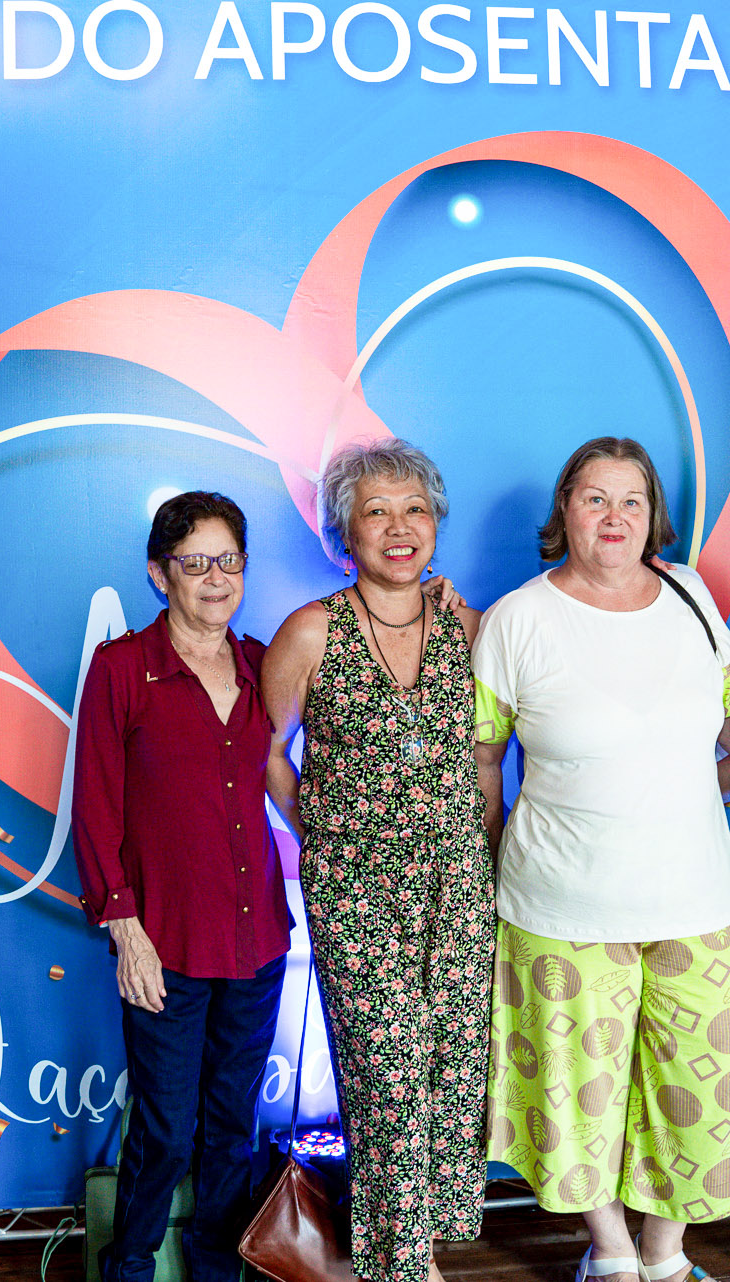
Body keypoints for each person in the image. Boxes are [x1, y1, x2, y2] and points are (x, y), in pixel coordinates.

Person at [473, 437, 730, 1282]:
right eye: (595, 498)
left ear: (652, 514)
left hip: (694, 899)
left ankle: (666, 1254)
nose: (614, 517)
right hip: (561, 905)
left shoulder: (694, 599)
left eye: (632, 500)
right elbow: (484, 760)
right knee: (575, 1099)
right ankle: (611, 1251)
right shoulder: (517, 619)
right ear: (565, 508)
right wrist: (496, 863)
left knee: (696, 1094)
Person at [261, 439, 497, 1282]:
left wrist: (487, 859)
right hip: (356, 888)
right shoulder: (311, 631)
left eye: (415, 510)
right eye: (376, 512)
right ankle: (404, 1267)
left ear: (435, 524)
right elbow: (267, 753)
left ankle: (420, 1249)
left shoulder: (471, 628)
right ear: (344, 533)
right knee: (387, 1073)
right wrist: (323, 833)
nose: (399, 528)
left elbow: (487, 760)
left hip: (459, 880)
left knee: (452, 1066)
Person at [71, 491, 292, 1282]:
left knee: (232, 1127)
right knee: (165, 1130)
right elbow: (95, 808)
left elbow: (358, 649)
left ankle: (215, 1267)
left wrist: (438, 602)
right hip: (163, 943)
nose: (214, 578)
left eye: (228, 560)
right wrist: (125, 930)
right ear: (159, 574)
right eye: (194, 562)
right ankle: (129, 1265)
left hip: (257, 939)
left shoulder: (263, 663)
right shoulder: (123, 670)